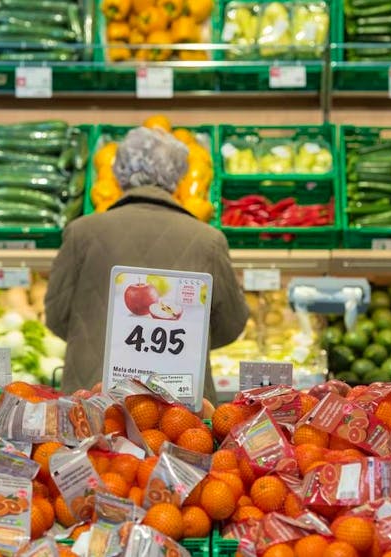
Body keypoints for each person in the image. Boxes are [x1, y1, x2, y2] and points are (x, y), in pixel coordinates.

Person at [45, 126, 249, 401]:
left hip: (96, 395)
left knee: (97, 431)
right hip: (177, 399)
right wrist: (187, 340)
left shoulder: (81, 232)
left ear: (118, 172)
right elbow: (231, 323)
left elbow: (56, 315)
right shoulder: (208, 239)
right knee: (180, 431)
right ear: (179, 175)